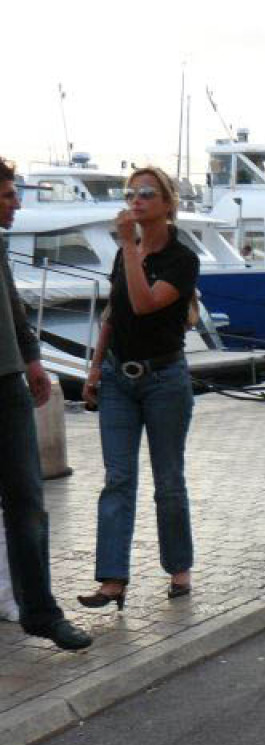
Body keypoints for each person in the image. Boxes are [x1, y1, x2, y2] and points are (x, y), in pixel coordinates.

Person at [78, 166, 200, 610]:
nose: (136, 199)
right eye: (131, 193)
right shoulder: (122, 254)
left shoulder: (182, 259)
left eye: (147, 193)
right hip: (117, 379)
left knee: (168, 481)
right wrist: (94, 369)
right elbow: (115, 312)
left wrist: (129, 245)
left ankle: (179, 568)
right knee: (118, 478)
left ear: (168, 204)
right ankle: (113, 580)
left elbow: (146, 303)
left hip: (165, 380)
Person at [0, 158, 92, 649]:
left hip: (8, 384)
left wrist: (33, 361)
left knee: (28, 503)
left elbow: (11, 307)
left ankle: (40, 612)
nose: (16, 201)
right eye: (8, 193)